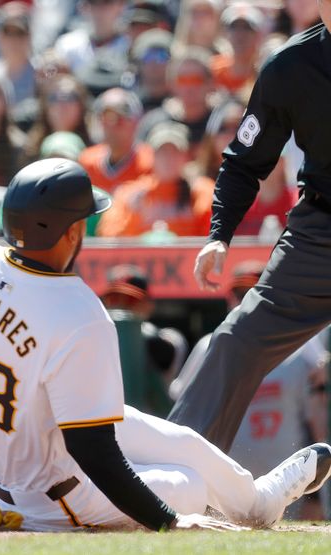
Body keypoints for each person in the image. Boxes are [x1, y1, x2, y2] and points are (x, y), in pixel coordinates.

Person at [0, 157, 331, 531]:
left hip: (13, 451)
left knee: (182, 441)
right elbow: (94, 453)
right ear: (73, 233)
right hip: (49, 497)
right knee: (189, 485)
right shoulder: (78, 309)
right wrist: (167, 522)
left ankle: (259, 502)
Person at [167, 12, 331, 453]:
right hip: (321, 236)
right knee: (237, 342)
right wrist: (219, 235)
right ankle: (174, 471)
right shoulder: (290, 66)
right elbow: (244, 160)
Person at [171, 261, 329, 519]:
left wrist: (314, 495)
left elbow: (317, 421)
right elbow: (186, 418)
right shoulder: (210, 346)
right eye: (239, 294)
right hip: (223, 491)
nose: (244, 301)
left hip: (290, 487)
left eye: (251, 293)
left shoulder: (301, 351)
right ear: (228, 299)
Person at [97, 122, 214, 237]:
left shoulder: (203, 192)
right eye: (162, 151)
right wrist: (133, 216)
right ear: (151, 156)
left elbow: (212, 236)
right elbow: (109, 237)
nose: (168, 158)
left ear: (186, 157)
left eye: (175, 151)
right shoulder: (130, 194)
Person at [100, 264, 188, 417]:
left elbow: (163, 351)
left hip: (151, 425)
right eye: (114, 298)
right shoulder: (95, 337)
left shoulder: (167, 338)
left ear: (148, 305)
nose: (120, 306)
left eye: (130, 300)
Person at [78, 88, 153, 194]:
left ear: (136, 122)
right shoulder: (87, 162)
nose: (112, 125)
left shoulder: (150, 163)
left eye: (121, 118)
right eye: (107, 118)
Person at [210, 5, 265, 96]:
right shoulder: (212, 70)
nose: (240, 35)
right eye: (233, 27)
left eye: (247, 28)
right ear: (225, 34)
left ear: (258, 35)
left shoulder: (265, 72)